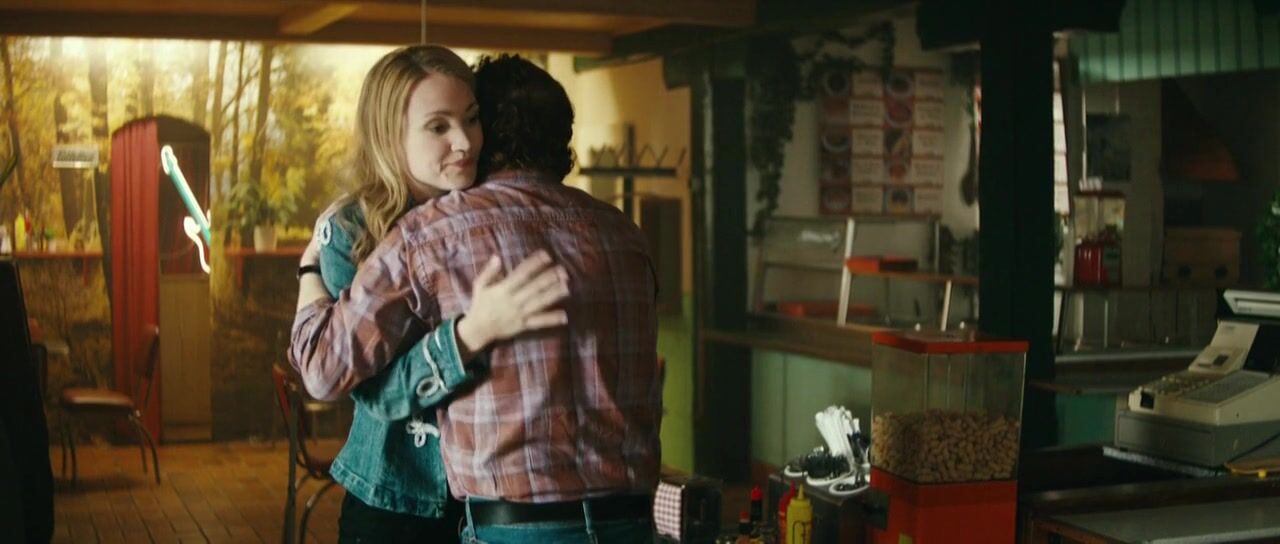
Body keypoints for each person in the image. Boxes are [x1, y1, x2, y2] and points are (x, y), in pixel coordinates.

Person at [290, 54, 661, 543]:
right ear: (390, 136)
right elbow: (350, 382)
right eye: (438, 126)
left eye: (471, 119)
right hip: (404, 496)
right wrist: (467, 335)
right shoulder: (359, 229)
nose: (464, 142)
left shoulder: (442, 230)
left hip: (492, 512)